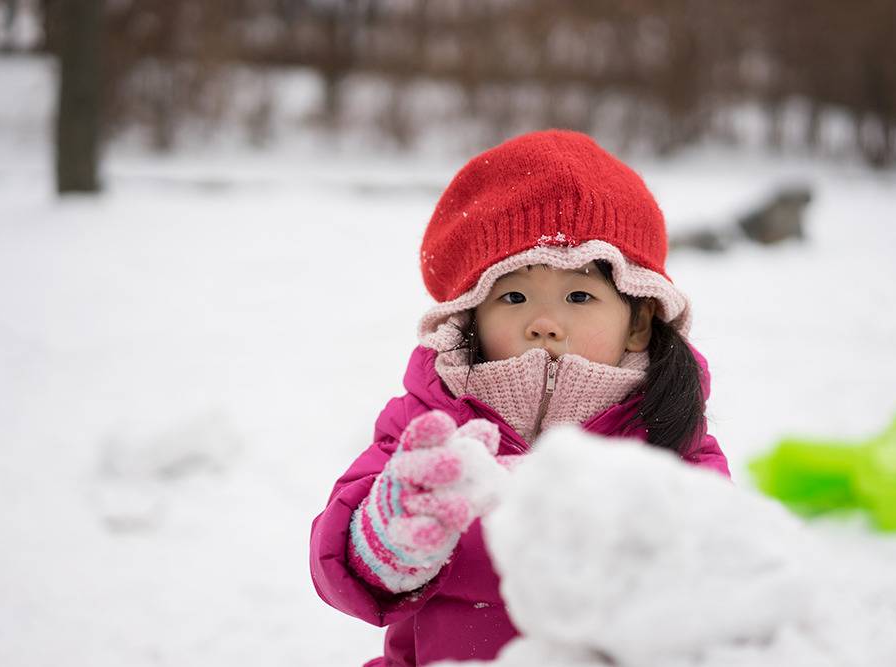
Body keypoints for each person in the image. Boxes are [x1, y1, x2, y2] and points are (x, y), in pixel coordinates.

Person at [309, 129, 731, 667]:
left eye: (580, 295)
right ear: (471, 317)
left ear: (640, 321)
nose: (545, 324)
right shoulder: (430, 423)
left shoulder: (669, 439)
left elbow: (718, 573)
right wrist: (384, 543)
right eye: (513, 296)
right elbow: (337, 562)